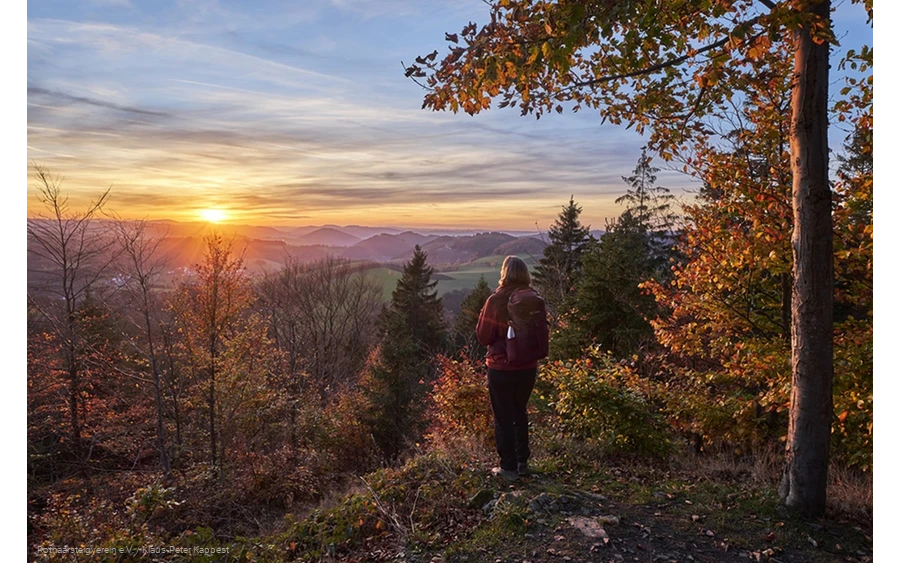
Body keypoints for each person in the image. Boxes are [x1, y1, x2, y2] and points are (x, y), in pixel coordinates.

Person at [475, 255, 540, 481]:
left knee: (503, 416)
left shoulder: (495, 300)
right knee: (519, 412)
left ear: (504, 273)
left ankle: (508, 467)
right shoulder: (533, 298)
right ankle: (522, 463)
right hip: (528, 367)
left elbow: (483, 336)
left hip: (501, 367)